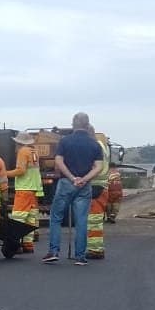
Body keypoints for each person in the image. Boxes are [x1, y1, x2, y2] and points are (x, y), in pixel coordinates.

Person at [44, 112, 103, 265]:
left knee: (56, 217)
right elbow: (98, 167)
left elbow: (59, 161)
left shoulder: (65, 142)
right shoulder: (94, 144)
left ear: (73, 124)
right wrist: (84, 179)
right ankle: (80, 256)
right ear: (87, 125)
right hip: (84, 186)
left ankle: (54, 251)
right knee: (81, 220)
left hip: (66, 184)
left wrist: (71, 177)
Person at [4, 131, 44, 254]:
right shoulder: (34, 152)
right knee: (30, 220)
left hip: (24, 189)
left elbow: (20, 170)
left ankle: (15, 245)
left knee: (18, 219)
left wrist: (4, 173)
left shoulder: (23, 152)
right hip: (33, 190)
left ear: (19, 143)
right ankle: (28, 244)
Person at [85, 125, 111, 260]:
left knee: (94, 220)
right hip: (101, 186)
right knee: (95, 220)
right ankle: (95, 248)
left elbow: (92, 167)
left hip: (95, 187)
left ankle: (95, 249)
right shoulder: (101, 145)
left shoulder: (95, 147)